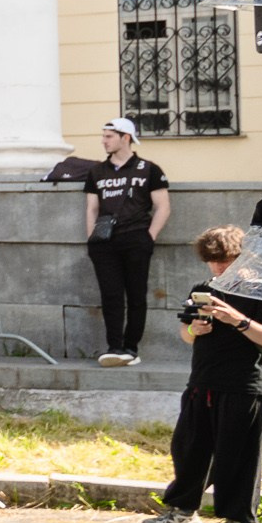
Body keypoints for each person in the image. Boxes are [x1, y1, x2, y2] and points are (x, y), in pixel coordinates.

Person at [143, 225, 262, 523]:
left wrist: (236, 319)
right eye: (212, 261)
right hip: (202, 382)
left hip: (244, 386)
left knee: (237, 457)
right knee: (188, 450)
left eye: (225, 260)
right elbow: (185, 334)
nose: (218, 267)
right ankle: (183, 510)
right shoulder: (204, 288)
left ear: (241, 256)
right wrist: (195, 328)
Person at [86, 117, 172, 366]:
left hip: (136, 238)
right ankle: (114, 348)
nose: (103, 141)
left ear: (125, 138)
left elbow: (163, 206)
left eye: (108, 136)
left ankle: (131, 348)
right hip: (104, 242)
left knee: (136, 295)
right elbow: (91, 208)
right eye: (103, 136)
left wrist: (149, 237)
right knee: (110, 296)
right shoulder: (96, 172)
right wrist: (92, 239)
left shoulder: (149, 169)